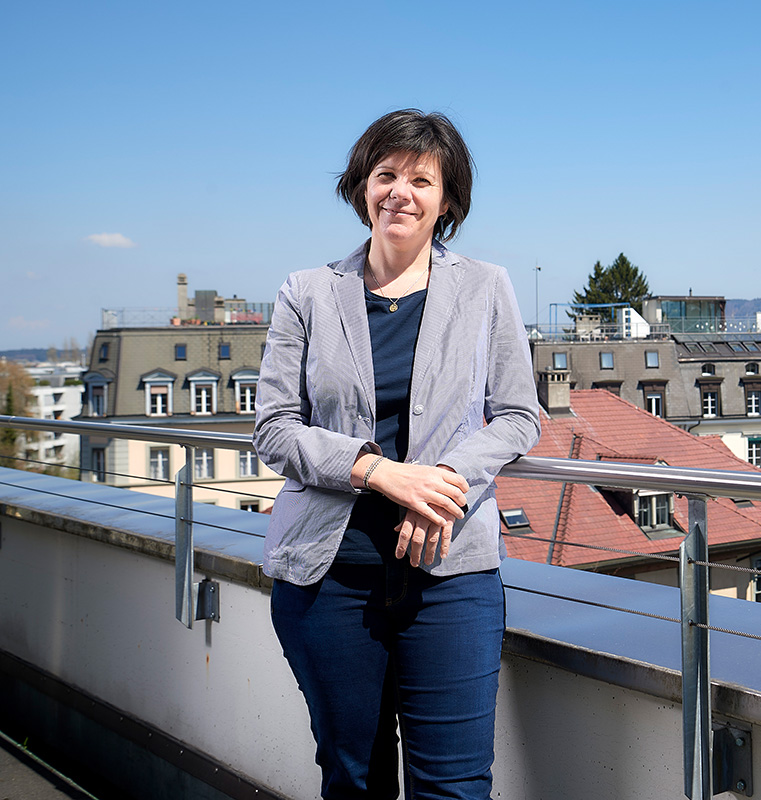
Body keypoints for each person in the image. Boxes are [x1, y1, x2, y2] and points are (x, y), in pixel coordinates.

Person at [254, 109, 541, 800]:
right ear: (361, 188)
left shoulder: (485, 287)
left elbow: (519, 416)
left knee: (455, 786)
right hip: (331, 579)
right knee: (355, 780)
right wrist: (377, 470)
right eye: (385, 175)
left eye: (421, 179)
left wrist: (443, 481)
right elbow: (273, 428)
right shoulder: (308, 293)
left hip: (452, 578)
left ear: (448, 201)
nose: (399, 192)